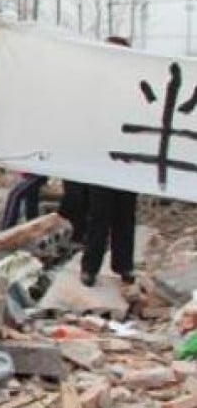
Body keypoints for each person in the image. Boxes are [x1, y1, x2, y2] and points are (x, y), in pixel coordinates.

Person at [80, 36, 139, 287]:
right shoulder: (95, 85)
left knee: (125, 214)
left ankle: (123, 265)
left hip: (128, 161)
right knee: (99, 215)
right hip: (100, 161)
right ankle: (90, 268)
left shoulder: (137, 85)